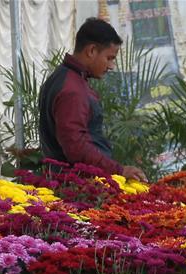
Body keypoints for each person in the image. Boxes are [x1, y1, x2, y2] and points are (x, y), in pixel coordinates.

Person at [38, 18, 145, 180]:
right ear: (91, 51)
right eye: (109, 58)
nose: (111, 66)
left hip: (70, 183)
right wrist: (118, 170)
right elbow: (76, 147)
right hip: (77, 188)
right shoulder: (72, 89)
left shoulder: (63, 77)